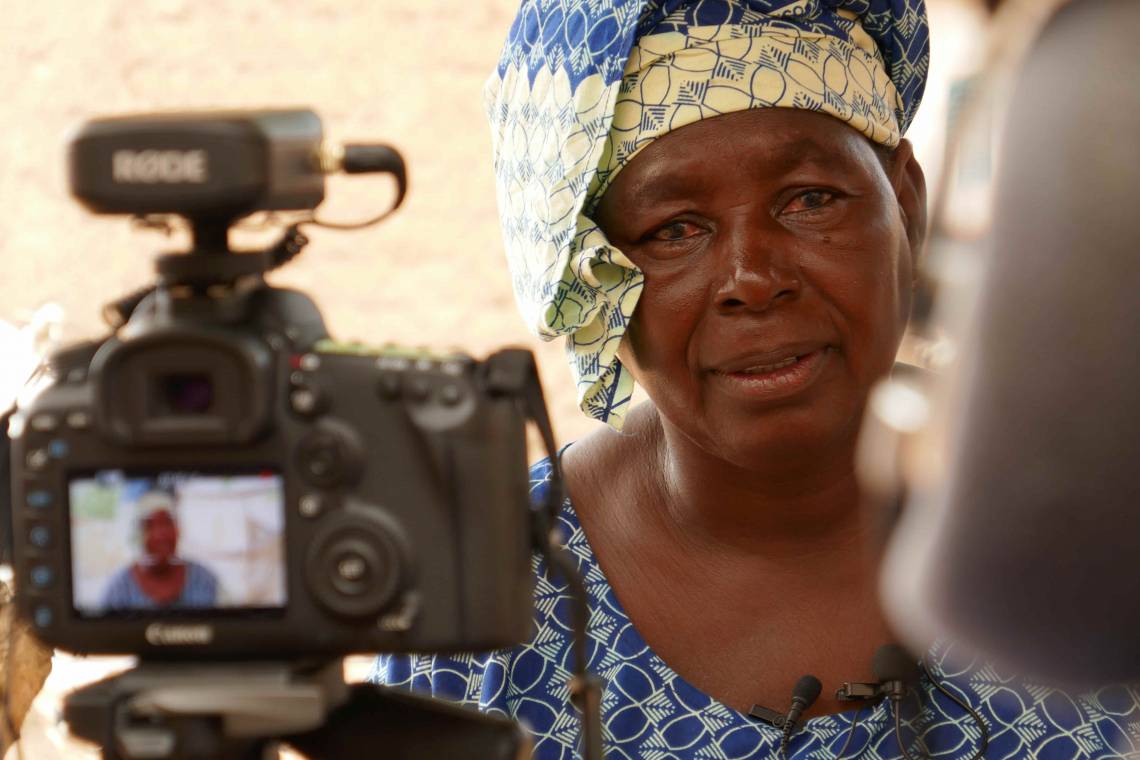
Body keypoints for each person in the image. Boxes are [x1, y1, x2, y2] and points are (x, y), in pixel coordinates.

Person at [375, 1, 1140, 757]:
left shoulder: (1101, 527)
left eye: (810, 199)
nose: (753, 277)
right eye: (674, 230)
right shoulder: (480, 599)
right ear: (591, 281)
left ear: (906, 203)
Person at [101, 489, 220, 610]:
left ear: (178, 530)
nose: (160, 535)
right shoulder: (119, 590)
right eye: (149, 526)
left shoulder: (204, 582)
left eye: (167, 523)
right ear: (137, 535)